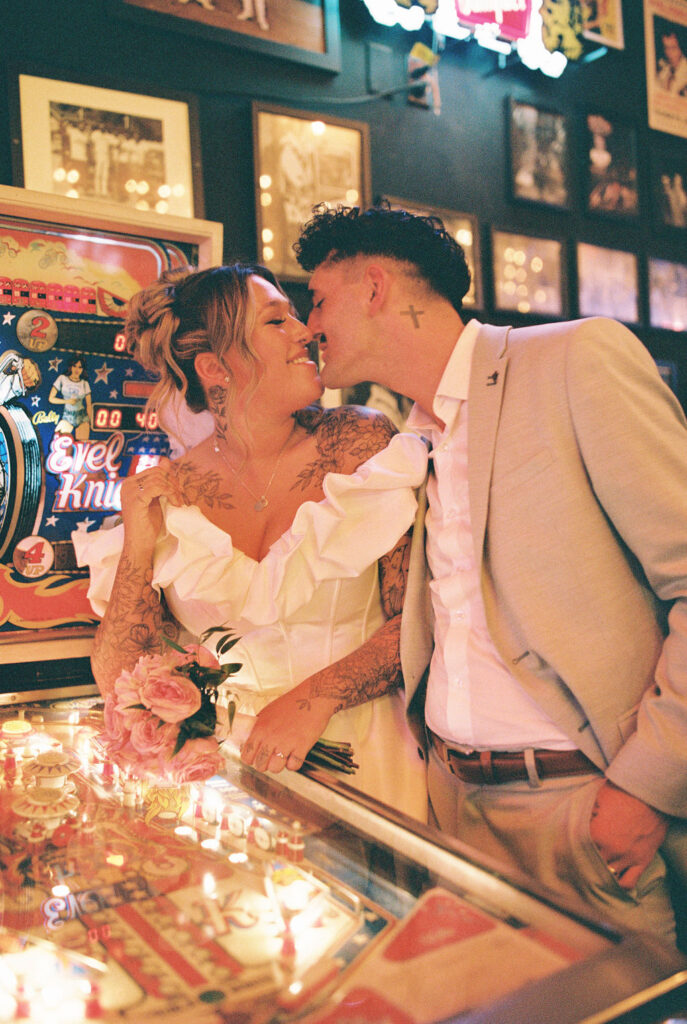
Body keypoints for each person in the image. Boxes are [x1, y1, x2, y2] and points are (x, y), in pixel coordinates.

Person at [293, 203, 687, 946]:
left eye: (317, 300)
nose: (310, 325)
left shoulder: (574, 358)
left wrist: (645, 787)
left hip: (581, 804)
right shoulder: (404, 437)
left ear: (375, 286)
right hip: (448, 804)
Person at [73, 263, 427, 818]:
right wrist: (138, 547)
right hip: (232, 785)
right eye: (275, 321)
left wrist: (315, 699)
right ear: (216, 366)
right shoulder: (173, 492)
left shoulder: (360, 443)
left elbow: (416, 622)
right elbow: (122, 673)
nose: (304, 332)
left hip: (371, 767)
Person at [49, 355, 93, 439]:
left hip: (82, 416)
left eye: (80, 367)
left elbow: (89, 405)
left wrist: (89, 421)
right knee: (58, 441)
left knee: (81, 446)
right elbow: (51, 399)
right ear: (70, 367)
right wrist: (67, 401)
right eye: (74, 366)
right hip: (67, 416)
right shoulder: (62, 379)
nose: (77, 369)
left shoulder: (84, 383)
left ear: (82, 369)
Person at [656, 28, 687, 95]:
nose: (668, 53)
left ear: (681, 48)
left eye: (673, 48)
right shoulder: (663, 70)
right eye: (666, 48)